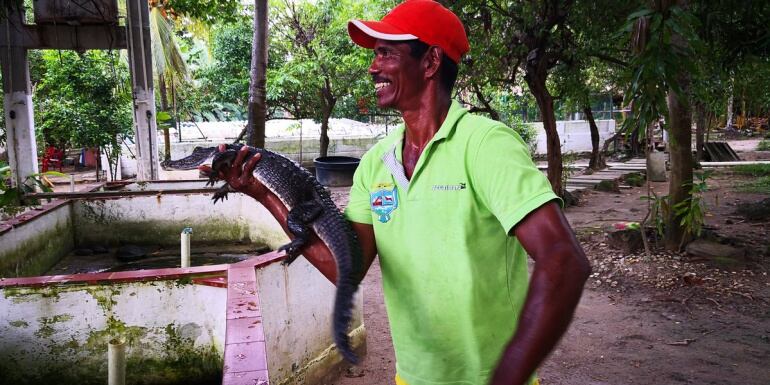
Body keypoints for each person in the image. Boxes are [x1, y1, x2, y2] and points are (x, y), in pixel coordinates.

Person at [203, 1, 590, 384]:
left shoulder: (486, 144)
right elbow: (347, 270)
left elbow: (564, 261)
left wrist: (508, 376)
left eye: (386, 53)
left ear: (431, 62)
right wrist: (264, 194)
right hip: (412, 377)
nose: (373, 67)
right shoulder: (376, 163)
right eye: (375, 56)